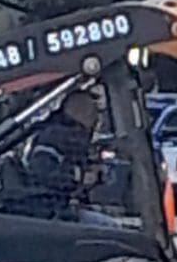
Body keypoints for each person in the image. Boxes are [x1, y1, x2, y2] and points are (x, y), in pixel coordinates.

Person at [22, 90, 118, 227]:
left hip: (60, 207)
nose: (96, 119)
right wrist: (80, 176)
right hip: (50, 212)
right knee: (109, 226)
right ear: (80, 112)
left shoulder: (68, 136)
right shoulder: (55, 137)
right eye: (93, 113)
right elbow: (42, 172)